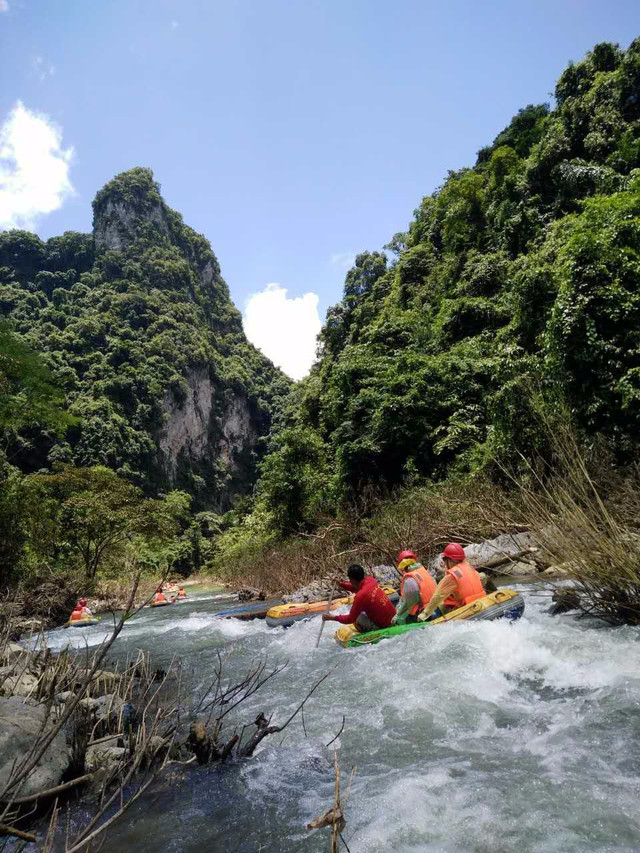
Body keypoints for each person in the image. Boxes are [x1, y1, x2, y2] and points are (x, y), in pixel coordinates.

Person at [417, 543, 485, 622]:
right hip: (481, 602)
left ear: (449, 560)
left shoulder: (452, 575)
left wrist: (424, 614)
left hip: (466, 609)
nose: (444, 563)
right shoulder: (469, 566)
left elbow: (438, 596)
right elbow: (482, 577)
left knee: (437, 610)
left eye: (444, 560)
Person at [322, 564, 396, 632]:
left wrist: (332, 617)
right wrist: (341, 584)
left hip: (384, 625)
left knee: (357, 618)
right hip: (394, 617)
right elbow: (356, 588)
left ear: (352, 580)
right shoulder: (371, 580)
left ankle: (371, 632)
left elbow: (350, 619)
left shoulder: (360, 596)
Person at [392, 550, 436, 625]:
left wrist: (397, 615)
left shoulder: (409, 579)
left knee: (400, 620)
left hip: (421, 614)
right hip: (434, 608)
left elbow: (411, 601)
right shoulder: (423, 571)